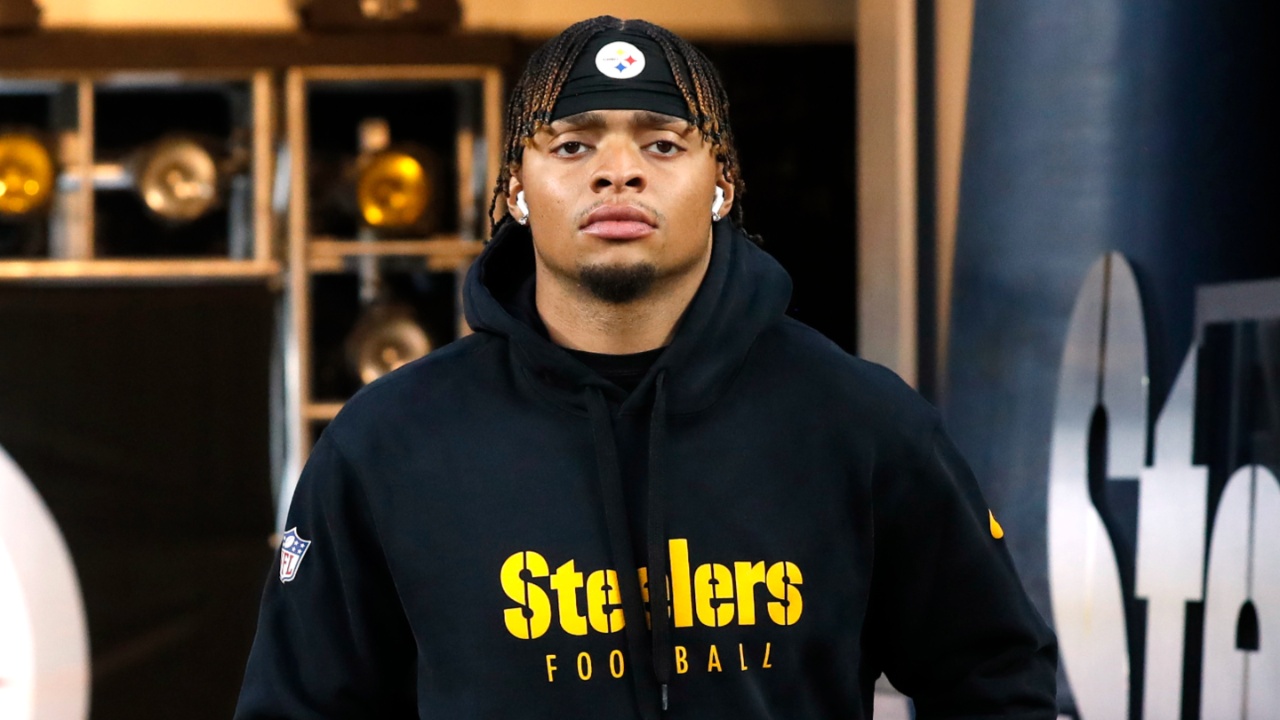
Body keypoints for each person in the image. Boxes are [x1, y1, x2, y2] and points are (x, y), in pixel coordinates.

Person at [235, 15, 1058, 719]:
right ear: (518, 188)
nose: (618, 171)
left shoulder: (859, 422)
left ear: (722, 184)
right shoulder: (389, 444)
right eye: (572, 144)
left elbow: (993, 683)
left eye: (664, 143)